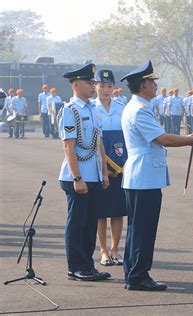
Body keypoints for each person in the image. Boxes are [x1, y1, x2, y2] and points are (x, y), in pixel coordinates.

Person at [119, 60, 193, 291]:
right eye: (152, 81)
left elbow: (163, 135)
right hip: (144, 175)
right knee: (144, 228)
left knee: (137, 227)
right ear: (143, 85)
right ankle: (139, 275)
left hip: (141, 175)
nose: (154, 85)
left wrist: (190, 137)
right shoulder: (140, 110)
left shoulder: (137, 107)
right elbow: (164, 139)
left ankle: (133, 272)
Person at [58, 63, 111, 281]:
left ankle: (88, 265)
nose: (92, 86)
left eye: (93, 83)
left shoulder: (93, 109)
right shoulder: (71, 110)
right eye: (89, 83)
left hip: (94, 176)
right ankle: (75, 267)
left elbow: (99, 143)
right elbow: (69, 146)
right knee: (78, 223)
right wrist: (77, 178)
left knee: (90, 224)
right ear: (76, 84)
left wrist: (105, 172)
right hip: (77, 177)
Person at [93, 70, 128, 267]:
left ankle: (115, 249)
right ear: (95, 86)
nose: (106, 90)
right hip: (98, 166)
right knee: (101, 211)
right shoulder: (92, 109)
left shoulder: (121, 108)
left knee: (117, 209)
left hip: (120, 166)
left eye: (109, 86)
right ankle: (103, 250)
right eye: (102, 85)